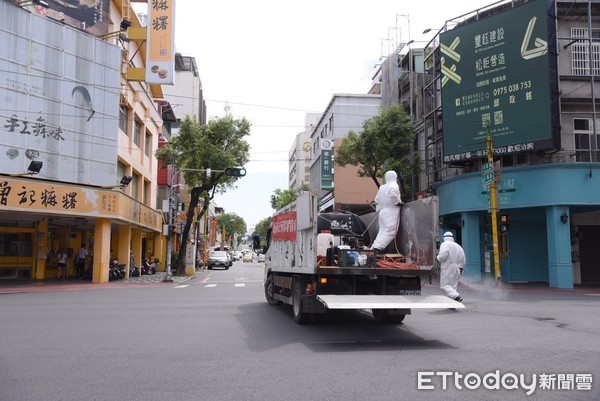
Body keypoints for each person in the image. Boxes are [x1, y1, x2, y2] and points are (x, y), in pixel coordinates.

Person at [371, 170, 403, 252]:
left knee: (382, 231)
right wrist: (397, 203)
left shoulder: (382, 187)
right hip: (391, 211)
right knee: (390, 231)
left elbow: (377, 199)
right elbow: (393, 195)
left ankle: (374, 248)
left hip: (382, 211)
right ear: (395, 177)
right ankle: (377, 248)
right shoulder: (394, 185)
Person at [437, 231, 465, 302]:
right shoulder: (458, 246)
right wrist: (461, 268)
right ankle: (453, 302)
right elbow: (463, 259)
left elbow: (443, 255)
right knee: (453, 286)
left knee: (445, 285)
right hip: (457, 268)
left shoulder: (444, 244)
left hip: (448, 267)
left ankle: (456, 296)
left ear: (444, 238)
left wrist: (438, 258)